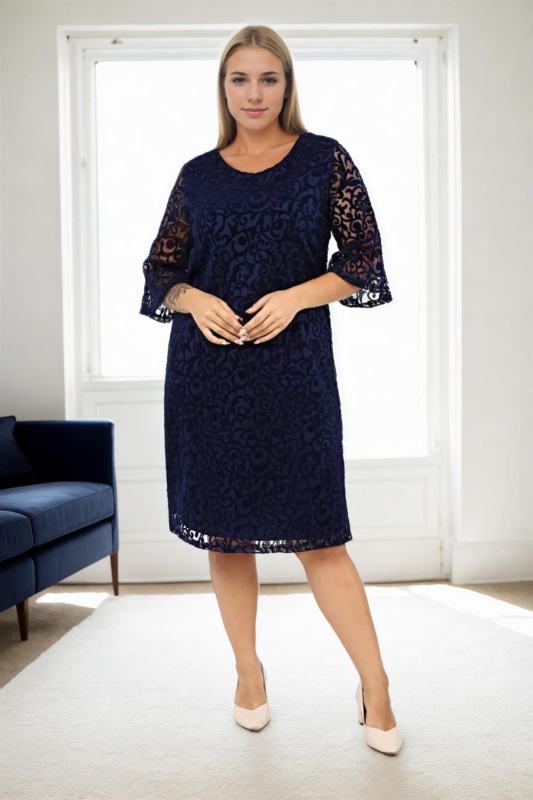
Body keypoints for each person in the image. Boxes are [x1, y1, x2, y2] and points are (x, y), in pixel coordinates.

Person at [139, 24, 402, 755]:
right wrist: (193, 299)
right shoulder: (197, 175)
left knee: (322, 539)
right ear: (223, 88)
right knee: (226, 539)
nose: (253, 93)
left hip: (295, 374)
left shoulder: (324, 160)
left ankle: (376, 686)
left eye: (268, 78)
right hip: (207, 375)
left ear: (287, 85)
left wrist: (295, 296)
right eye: (239, 79)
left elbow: (363, 260)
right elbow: (160, 272)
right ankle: (248, 672)